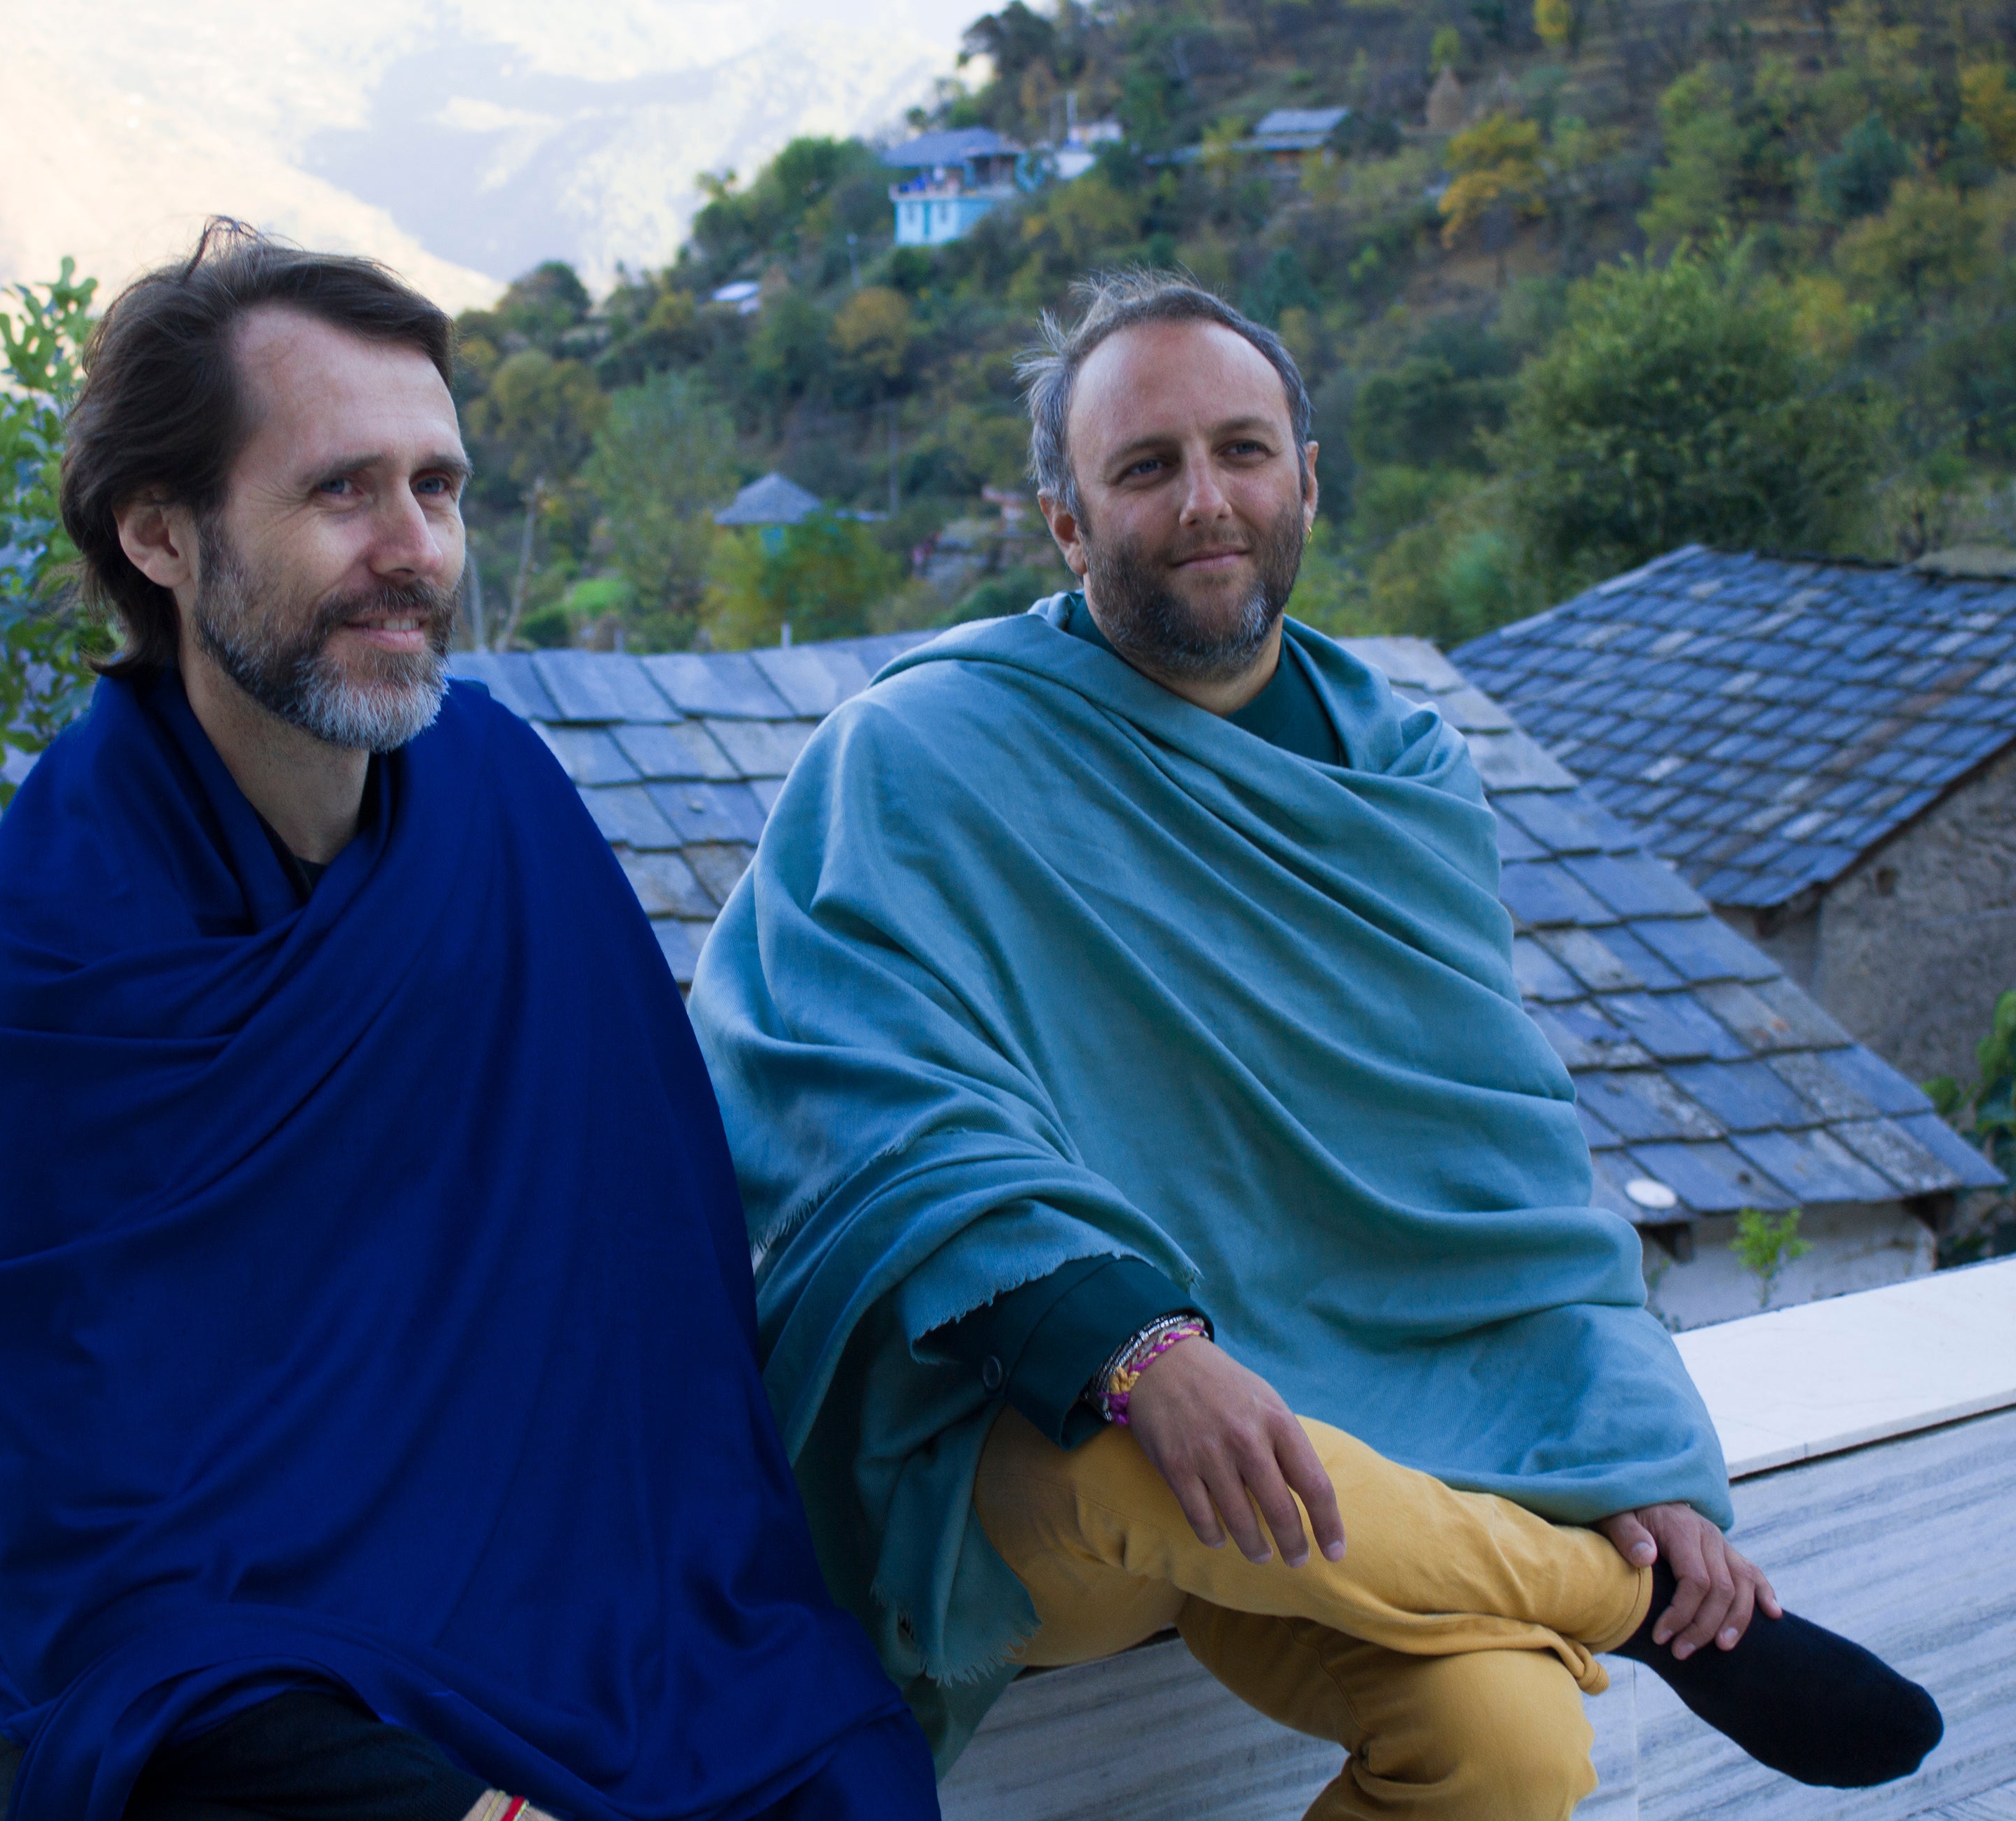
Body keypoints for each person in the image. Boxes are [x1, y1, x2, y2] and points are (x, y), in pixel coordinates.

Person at [686, 271, 1943, 1819]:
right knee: (1166, 1457)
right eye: (1145, 468)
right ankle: (1620, 1611)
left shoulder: (1400, 772)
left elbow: (1498, 1149)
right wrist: (1137, 1347)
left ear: (1305, 479)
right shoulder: (918, 754)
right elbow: (844, 1097)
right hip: (1031, 1456)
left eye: (1242, 450)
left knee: (1511, 1751)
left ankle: (1585, 1578)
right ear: (1067, 526)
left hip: (1347, 1452)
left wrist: (1641, 1461)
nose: (1204, 500)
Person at [0, 223, 938, 1821]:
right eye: (339, 489)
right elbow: (85, 1552)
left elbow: (651, 1335)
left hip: (629, 1643)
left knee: (835, 1751)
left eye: (436, 488)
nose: (415, 548)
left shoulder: (502, 811)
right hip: (292, 1722)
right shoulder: (40, 990)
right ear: (161, 536)